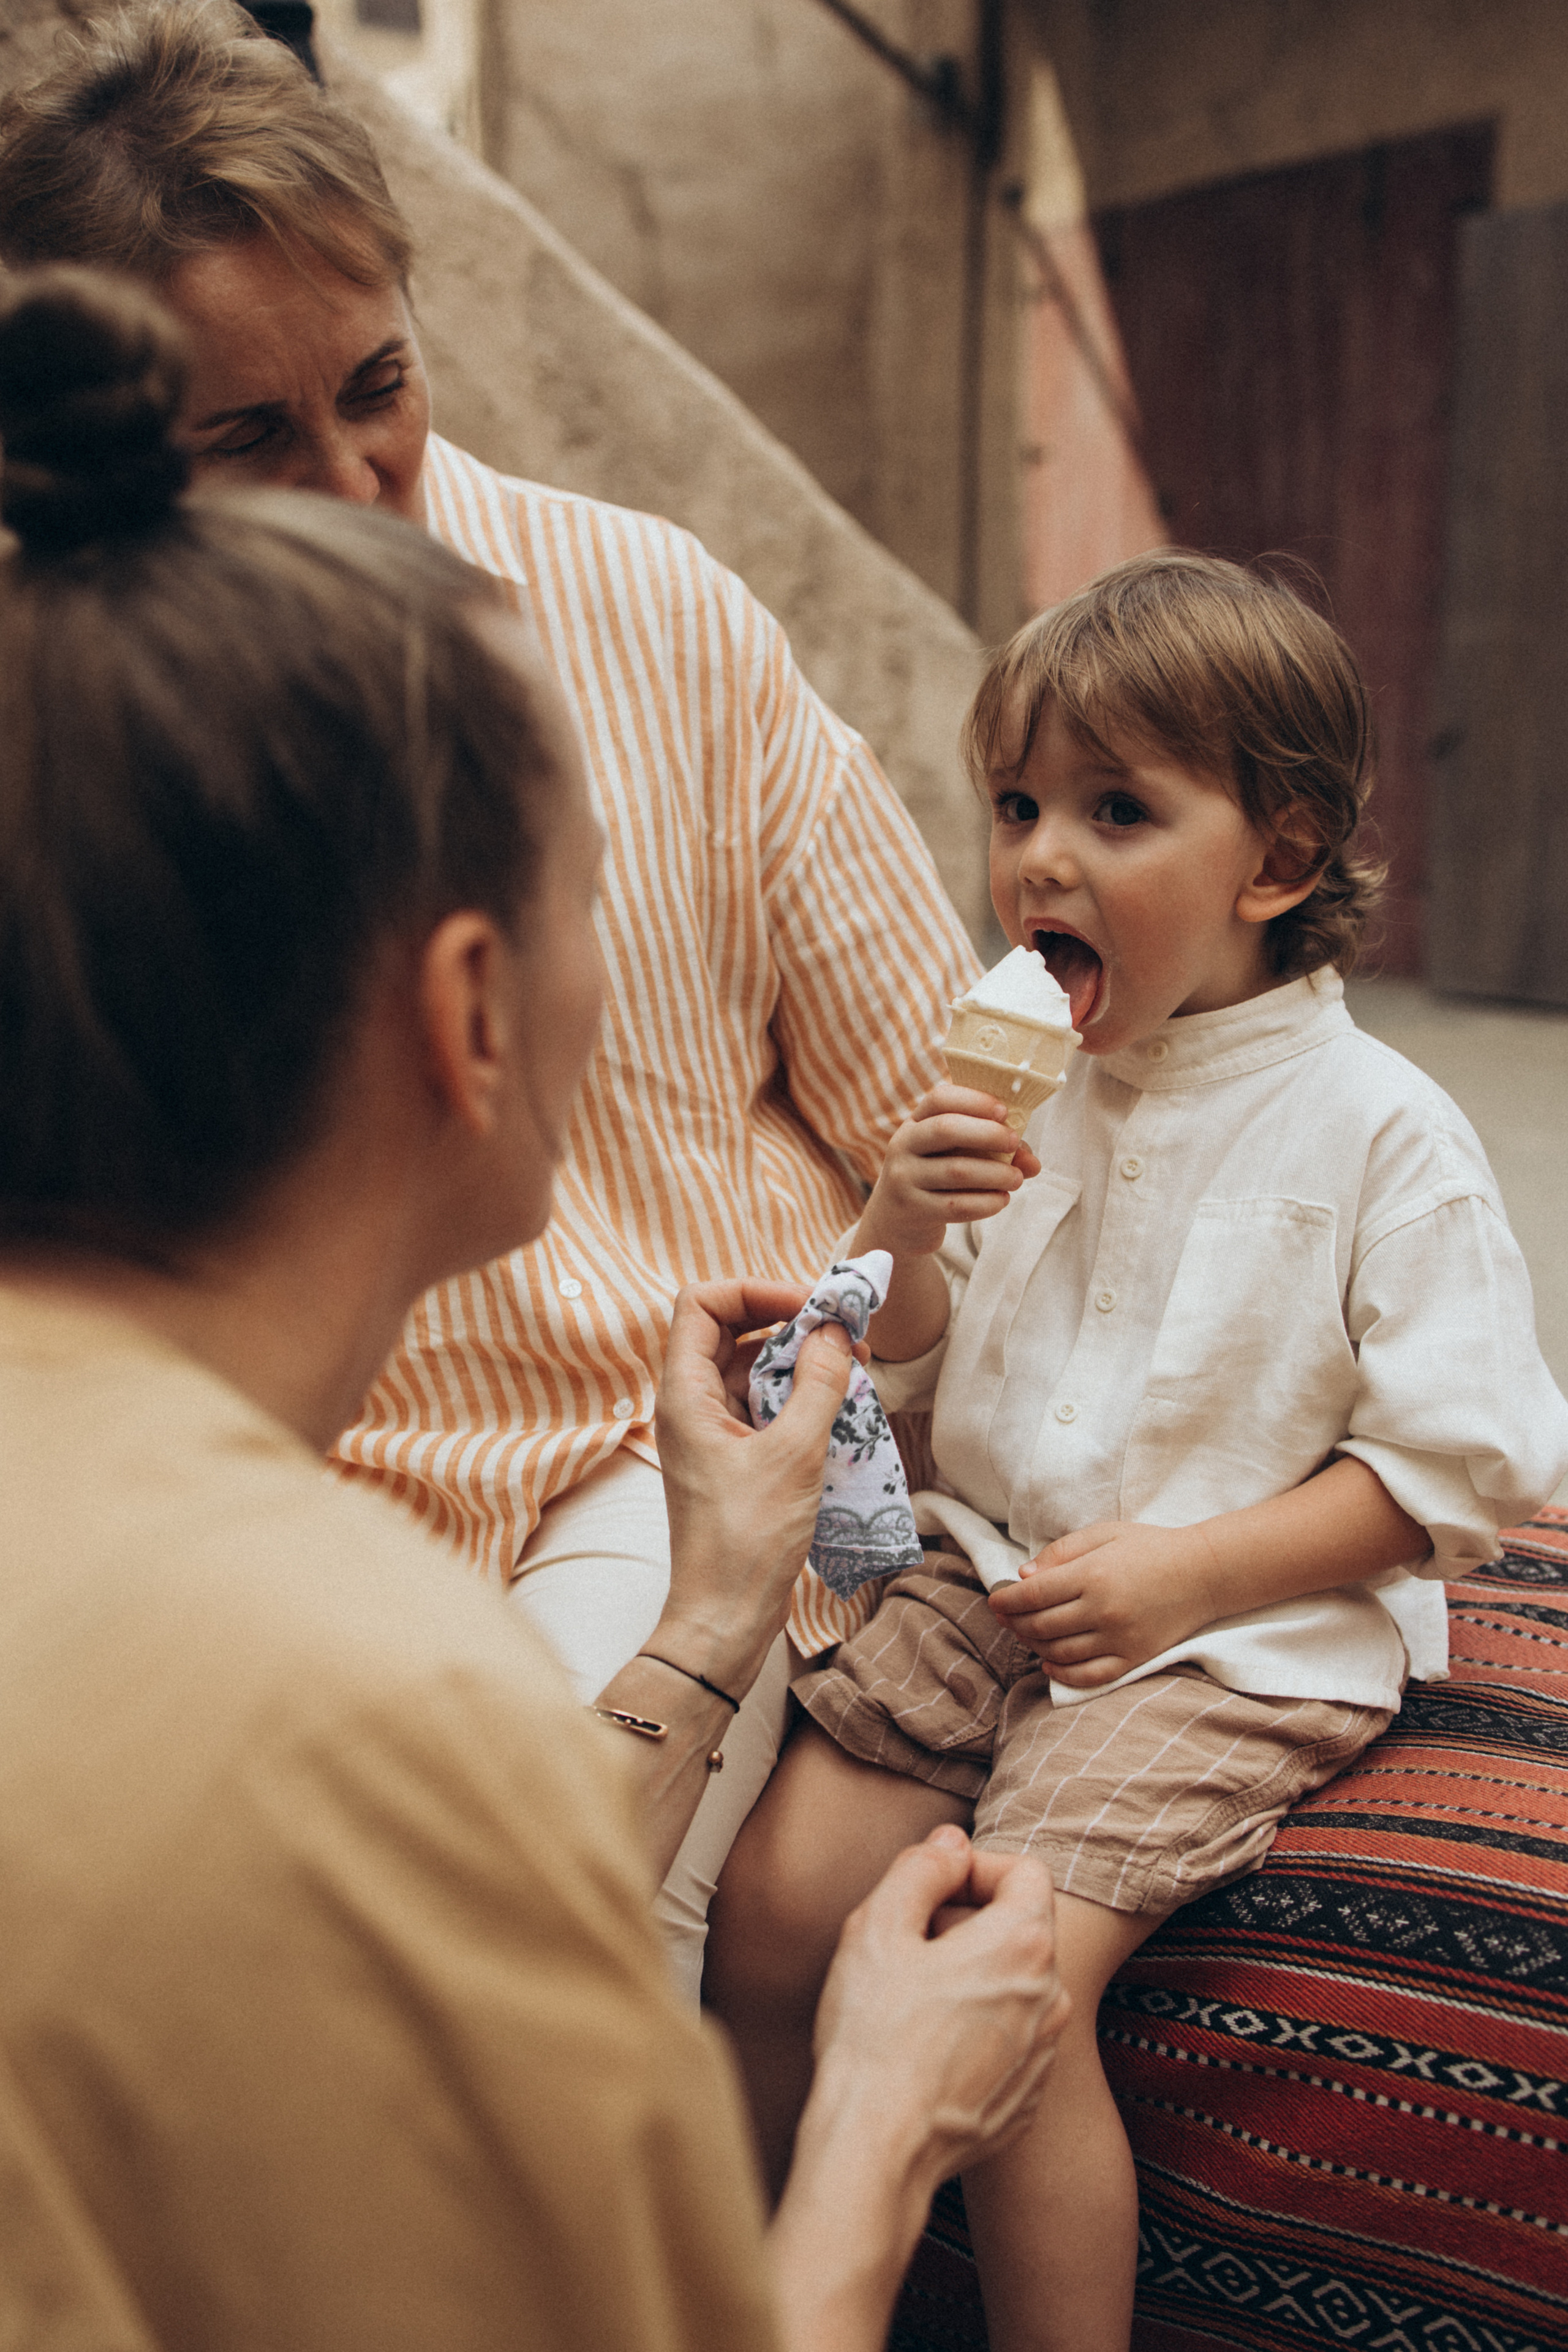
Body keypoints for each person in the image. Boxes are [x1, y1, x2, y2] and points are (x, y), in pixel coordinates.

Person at [0, 262, 1067, 2352]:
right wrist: (881, 2114)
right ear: (472, 1012)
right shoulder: (385, 1705)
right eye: (594, 898)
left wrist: (694, 1614)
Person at [0, 0, 982, 1997]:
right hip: (270, 1515)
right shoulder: (74, 745)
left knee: (539, 1909)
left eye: (381, 385)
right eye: (249, 438)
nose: (361, 479)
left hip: (684, 1449)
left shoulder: (654, 616)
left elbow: (940, 1127)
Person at [706, 552, 1568, 2352]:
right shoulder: (1021, 1084)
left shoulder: (1381, 1134)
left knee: (1003, 1989)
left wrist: (1190, 1570)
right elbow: (928, 1372)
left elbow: (1464, 1474)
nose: (1038, 859)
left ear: (1276, 860)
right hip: (989, 1551)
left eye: (1116, 809)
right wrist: (902, 1218)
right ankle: (737, 2295)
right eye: (1018, 804)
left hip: (1232, 1630)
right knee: (778, 1906)